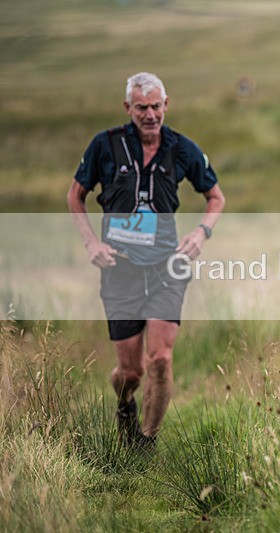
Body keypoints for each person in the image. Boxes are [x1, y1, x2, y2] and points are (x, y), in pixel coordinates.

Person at [67, 72, 225, 449]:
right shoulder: (105, 146)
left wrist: (201, 233)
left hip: (166, 266)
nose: (150, 114)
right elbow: (76, 196)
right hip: (118, 268)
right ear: (128, 108)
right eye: (142, 108)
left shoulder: (183, 149)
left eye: (156, 106)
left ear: (166, 104)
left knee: (160, 359)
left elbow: (216, 198)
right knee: (131, 371)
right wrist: (91, 244)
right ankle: (125, 406)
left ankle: (146, 442)